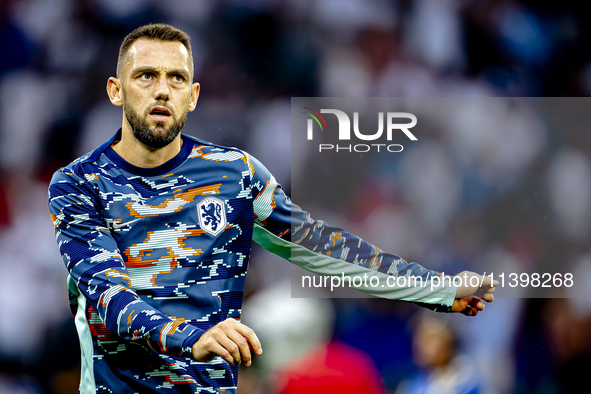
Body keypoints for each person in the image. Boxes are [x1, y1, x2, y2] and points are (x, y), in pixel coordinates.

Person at [48, 24, 497, 393]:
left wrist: (435, 289)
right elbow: (109, 295)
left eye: (176, 78)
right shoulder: (77, 185)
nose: (162, 90)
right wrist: (192, 337)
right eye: (146, 76)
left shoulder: (235, 175)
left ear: (194, 95)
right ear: (115, 90)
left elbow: (321, 247)